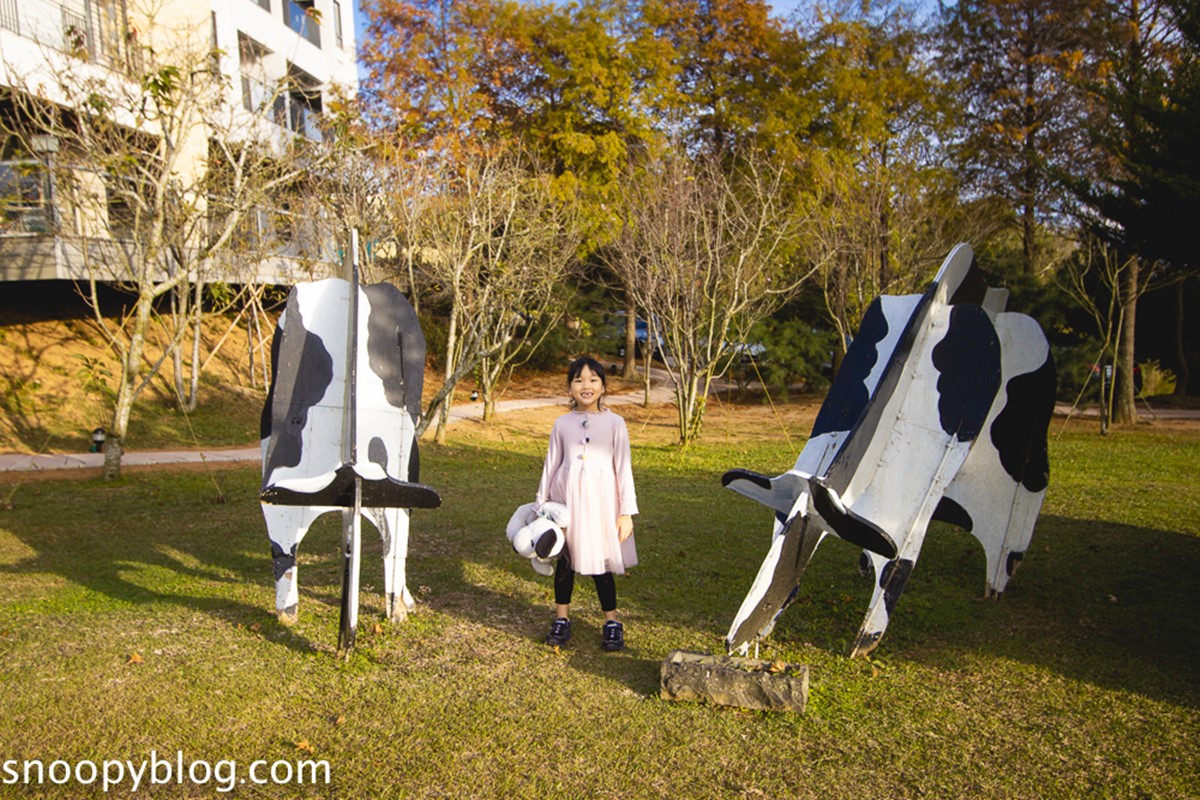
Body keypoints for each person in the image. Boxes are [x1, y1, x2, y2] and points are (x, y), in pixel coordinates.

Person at [535, 355, 638, 651]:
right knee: (565, 561)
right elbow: (551, 464)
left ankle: (612, 622)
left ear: (603, 387)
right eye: (578, 380)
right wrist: (541, 504)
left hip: (601, 505)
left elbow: (623, 469)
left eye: (593, 379)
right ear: (570, 389)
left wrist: (625, 513)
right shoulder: (562, 423)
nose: (586, 385)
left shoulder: (616, 423)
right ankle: (562, 619)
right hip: (566, 502)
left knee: (600, 564)